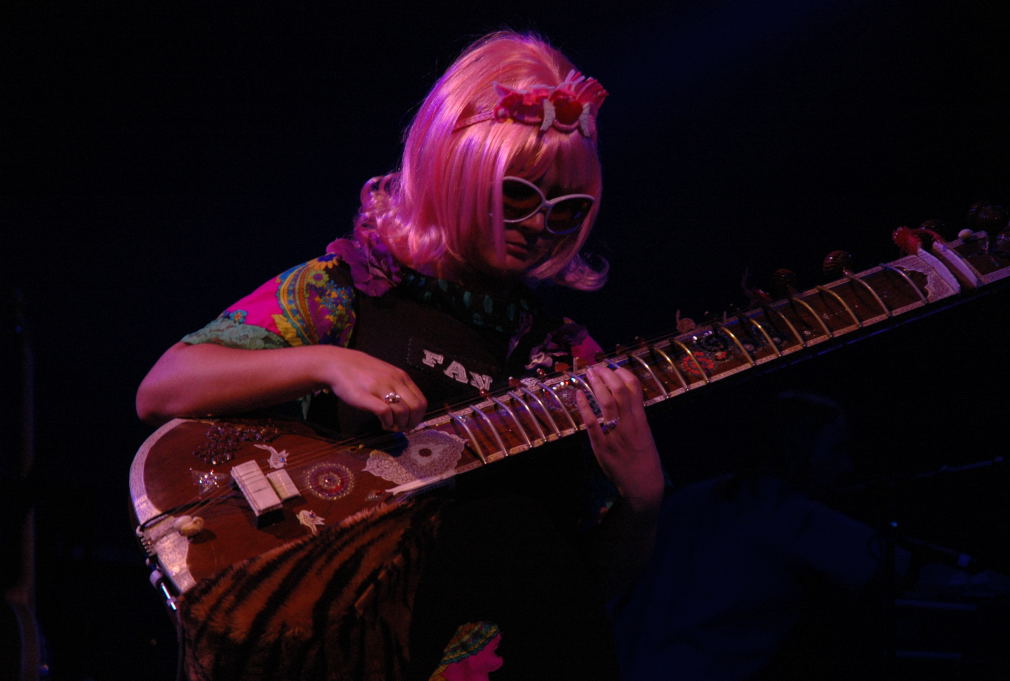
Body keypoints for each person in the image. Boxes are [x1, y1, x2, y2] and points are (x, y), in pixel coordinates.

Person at [136, 31, 664, 680]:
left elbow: (592, 584)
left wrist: (642, 502)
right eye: (518, 195)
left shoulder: (570, 356)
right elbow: (164, 386)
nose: (538, 224)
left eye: (566, 208)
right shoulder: (346, 291)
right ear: (458, 171)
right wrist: (328, 361)